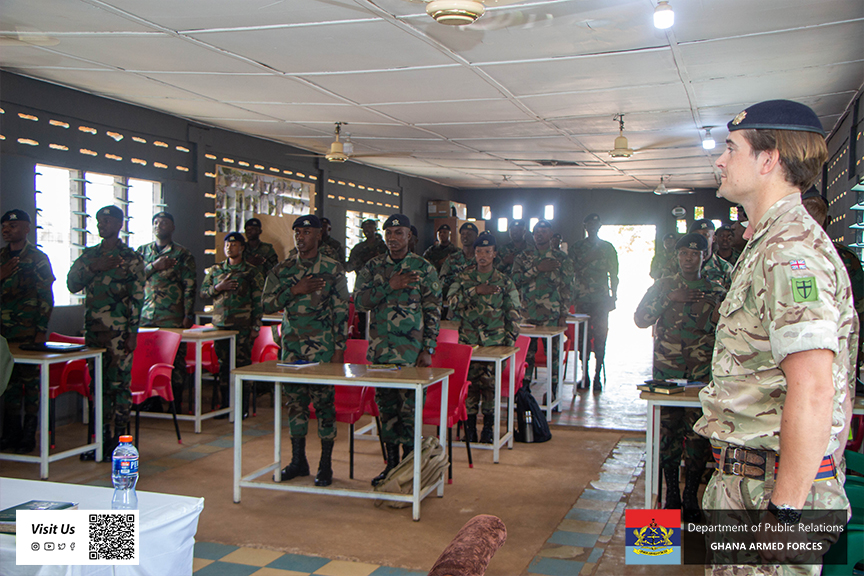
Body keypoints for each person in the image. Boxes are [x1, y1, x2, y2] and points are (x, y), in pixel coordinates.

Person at [693, 100, 857, 571]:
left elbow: (815, 387)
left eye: (731, 148)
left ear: (768, 160)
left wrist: (785, 511)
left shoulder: (788, 252)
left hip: (769, 490)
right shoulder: (767, 243)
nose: (720, 160)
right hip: (753, 480)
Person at [634, 233, 723, 522]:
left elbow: (728, 331)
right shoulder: (663, 286)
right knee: (667, 436)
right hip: (667, 374)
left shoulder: (716, 289)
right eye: (684, 253)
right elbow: (640, 319)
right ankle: (671, 494)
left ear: (704, 257)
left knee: (698, 437)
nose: (688, 259)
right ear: (677, 255)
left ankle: (690, 496)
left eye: (695, 254)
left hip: (700, 376)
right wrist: (668, 298)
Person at [353, 214, 441, 486]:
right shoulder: (373, 267)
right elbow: (360, 302)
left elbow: (433, 310)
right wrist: (388, 286)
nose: (393, 238)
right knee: (387, 411)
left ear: (409, 236)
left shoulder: (423, 268)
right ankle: (392, 467)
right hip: (381, 354)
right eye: (389, 233)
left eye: (398, 232)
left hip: (412, 355)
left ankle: (411, 469)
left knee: (410, 413)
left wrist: (428, 348)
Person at [262, 215, 348, 487]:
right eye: (297, 232)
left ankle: (326, 464)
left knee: (324, 405)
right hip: (292, 347)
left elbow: (341, 311)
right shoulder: (283, 269)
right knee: (295, 403)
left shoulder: (332, 268)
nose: (301, 237)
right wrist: (294, 290)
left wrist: (339, 348)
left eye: (307, 232)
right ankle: (298, 461)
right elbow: (266, 304)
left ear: (319, 235)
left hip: (322, 348)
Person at [67, 205, 144, 461]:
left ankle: (119, 440)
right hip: (94, 333)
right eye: (99, 221)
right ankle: (100, 438)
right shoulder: (90, 256)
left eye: (107, 221)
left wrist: (133, 332)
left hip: (119, 333)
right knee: (97, 386)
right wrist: (94, 267)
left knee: (119, 386)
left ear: (119, 224)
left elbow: (138, 298)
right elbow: (72, 284)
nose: (102, 225)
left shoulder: (131, 258)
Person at [447, 233, 521, 443]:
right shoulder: (464, 278)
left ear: (494, 254)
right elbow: (451, 303)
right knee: (469, 387)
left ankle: (488, 430)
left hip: (495, 344)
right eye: (479, 251)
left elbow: (514, 313)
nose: (483, 255)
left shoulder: (504, 281)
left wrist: (508, 343)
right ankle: (470, 429)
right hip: (469, 343)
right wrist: (475, 291)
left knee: (490, 388)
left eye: (487, 252)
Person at [0, 209, 55, 453]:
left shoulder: (37, 258)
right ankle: (11, 433)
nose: (6, 230)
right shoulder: (1, 257)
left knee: (31, 385)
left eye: (12, 226)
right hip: (3, 334)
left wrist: (41, 330)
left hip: (28, 332)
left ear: (26, 229)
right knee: (8, 383)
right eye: (4, 226)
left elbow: (46, 297)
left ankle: (29, 434)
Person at [136, 211, 196, 410]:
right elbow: (135, 278)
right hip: (147, 316)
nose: (159, 225)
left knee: (174, 361)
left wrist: (188, 314)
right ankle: (151, 401)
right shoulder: (143, 251)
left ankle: (175, 402)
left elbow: (189, 285)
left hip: (172, 317)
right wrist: (154, 266)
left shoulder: (182, 254)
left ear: (172, 227)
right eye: (156, 222)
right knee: (148, 358)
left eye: (164, 223)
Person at [200, 232, 263, 418]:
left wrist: (256, 326)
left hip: (242, 327)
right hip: (221, 327)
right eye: (227, 244)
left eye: (234, 244)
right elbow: (203, 293)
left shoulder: (251, 271)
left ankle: (242, 408)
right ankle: (226, 406)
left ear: (242, 248)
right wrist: (218, 288)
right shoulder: (216, 270)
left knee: (242, 366)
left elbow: (258, 300)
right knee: (224, 366)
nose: (230, 247)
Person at [512, 220, 574, 402]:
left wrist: (563, 313)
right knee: (526, 353)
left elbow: (567, 287)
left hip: (552, 315)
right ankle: (524, 389)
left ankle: (553, 389)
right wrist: (536, 269)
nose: (539, 234)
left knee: (553, 353)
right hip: (527, 314)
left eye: (544, 231)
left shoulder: (561, 259)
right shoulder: (524, 257)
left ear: (551, 234)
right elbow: (514, 280)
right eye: (537, 232)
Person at [570, 213, 618, 391]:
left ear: (599, 227)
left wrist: (614, 296)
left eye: (595, 225)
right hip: (582, 299)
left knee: (600, 336)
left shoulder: (607, 247)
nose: (592, 227)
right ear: (585, 227)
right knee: (582, 338)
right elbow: (570, 269)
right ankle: (585, 376)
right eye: (589, 224)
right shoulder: (577, 247)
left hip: (601, 300)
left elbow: (614, 274)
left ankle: (597, 375)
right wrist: (587, 259)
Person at [439, 222, 480, 300]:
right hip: (456, 300)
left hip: (477, 301)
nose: (465, 236)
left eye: (469, 234)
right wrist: (461, 276)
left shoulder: (481, 259)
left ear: (476, 237)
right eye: (463, 234)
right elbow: (441, 283)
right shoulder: (452, 259)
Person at [688, 220, 732, 290]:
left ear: (713, 238)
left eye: (705, 235)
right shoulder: (676, 264)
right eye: (696, 235)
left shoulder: (725, 268)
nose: (701, 238)